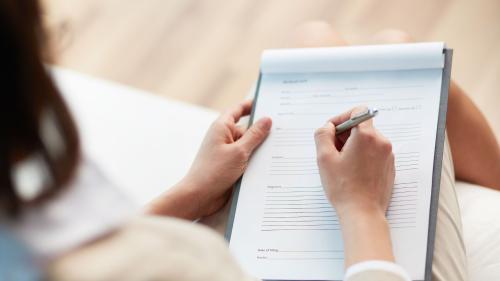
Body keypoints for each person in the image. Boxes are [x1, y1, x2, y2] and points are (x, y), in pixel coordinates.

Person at [1, 1, 499, 280]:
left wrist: (190, 193)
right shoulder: (155, 266)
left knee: (317, 41)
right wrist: (361, 209)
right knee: (403, 60)